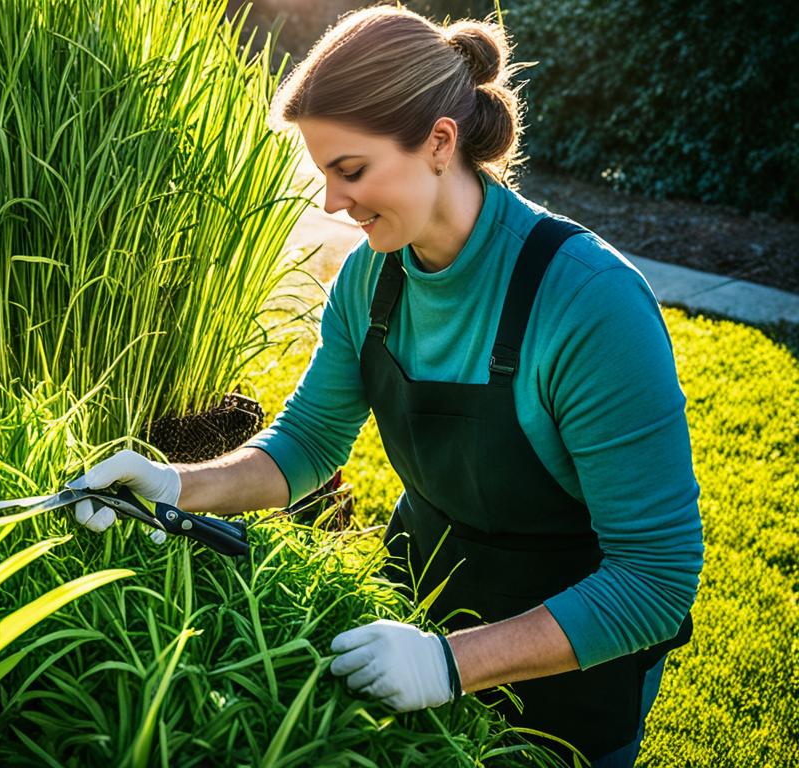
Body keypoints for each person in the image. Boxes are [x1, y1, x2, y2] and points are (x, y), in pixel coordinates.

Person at [65, 6, 703, 766]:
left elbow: (655, 582)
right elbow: (305, 442)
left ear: (439, 142)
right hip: (412, 605)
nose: (332, 204)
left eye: (352, 170)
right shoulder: (373, 275)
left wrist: (449, 663)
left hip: (566, 670)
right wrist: (171, 484)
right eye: (324, 174)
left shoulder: (589, 304)